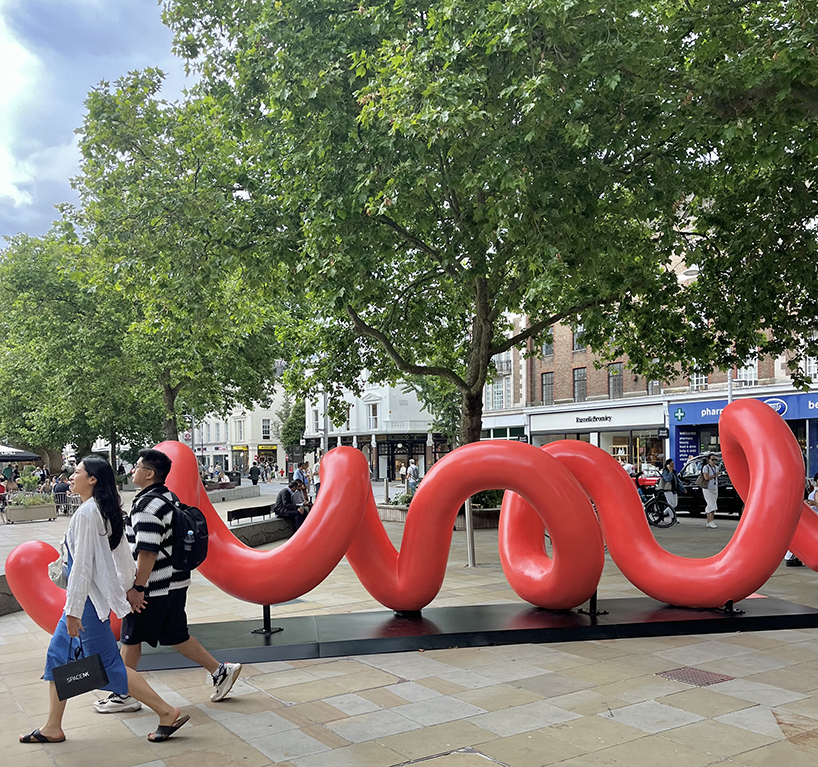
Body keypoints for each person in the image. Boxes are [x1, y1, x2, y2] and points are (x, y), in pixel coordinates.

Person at [21, 456, 188, 745]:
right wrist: (128, 591)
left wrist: (74, 611)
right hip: (84, 604)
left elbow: (83, 567)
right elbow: (120, 560)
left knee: (110, 666)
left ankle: (166, 712)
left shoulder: (88, 514)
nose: (71, 477)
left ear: (93, 479)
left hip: (85, 606)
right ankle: (52, 727)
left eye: (76, 472)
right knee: (59, 658)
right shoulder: (100, 510)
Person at [94, 449, 241, 714]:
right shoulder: (167, 498)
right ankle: (221, 671)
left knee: (130, 638)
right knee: (175, 634)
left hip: (154, 587)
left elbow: (147, 551)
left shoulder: (147, 507)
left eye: (137, 467)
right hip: (175, 581)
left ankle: (123, 694)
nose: (132, 470)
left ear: (149, 474)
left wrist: (138, 587)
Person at [660, 459, 684, 524]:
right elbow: (667, 479)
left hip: (674, 490)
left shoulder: (674, 472)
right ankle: (673, 518)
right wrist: (670, 472)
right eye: (671, 464)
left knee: (674, 504)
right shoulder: (665, 471)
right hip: (667, 489)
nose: (673, 465)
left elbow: (678, 481)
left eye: (673, 464)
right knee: (671, 504)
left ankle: (662, 513)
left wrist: (683, 488)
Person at [701, 453, 720, 529]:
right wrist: (715, 475)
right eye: (712, 459)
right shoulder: (706, 468)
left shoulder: (717, 468)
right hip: (707, 488)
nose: (714, 461)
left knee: (711, 504)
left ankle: (708, 521)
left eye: (715, 460)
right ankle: (711, 520)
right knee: (712, 504)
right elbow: (706, 477)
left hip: (715, 487)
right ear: (709, 460)